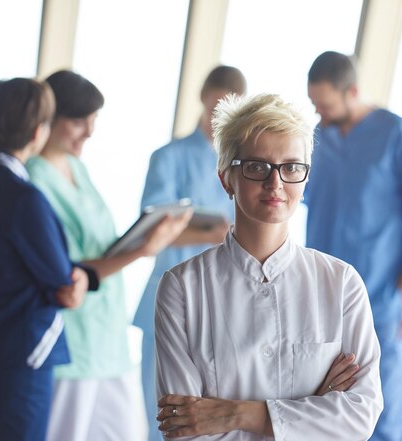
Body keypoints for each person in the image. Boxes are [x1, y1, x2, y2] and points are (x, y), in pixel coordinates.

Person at [155, 93, 383, 440]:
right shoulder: (182, 288)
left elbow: (359, 415)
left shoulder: (342, 284)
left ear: (305, 180)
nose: (275, 183)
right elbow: (188, 431)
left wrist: (235, 413)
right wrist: (313, 408)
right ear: (225, 178)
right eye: (256, 166)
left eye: (291, 167)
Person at [25, 70, 190, 441]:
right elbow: (65, 270)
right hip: (74, 343)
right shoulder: (35, 182)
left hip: (107, 341)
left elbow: (98, 247)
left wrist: (145, 237)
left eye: (93, 120)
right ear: (50, 119)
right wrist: (144, 250)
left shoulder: (76, 168)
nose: (90, 131)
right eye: (80, 120)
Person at [305, 51, 402, 441]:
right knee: (322, 404)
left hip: (379, 298)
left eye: (327, 105)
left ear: (352, 92)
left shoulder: (398, 135)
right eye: (315, 106)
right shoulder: (319, 139)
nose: (321, 115)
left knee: (386, 414)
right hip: (322, 297)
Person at [0, 78, 95, 441]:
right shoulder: (24, 199)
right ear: (38, 130)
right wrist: (84, 277)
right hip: (23, 355)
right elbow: (63, 283)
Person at [135, 65, 245, 440]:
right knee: (162, 412)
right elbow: (153, 232)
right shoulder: (168, 157)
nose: (219, 116)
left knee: (211, 414)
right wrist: (212, 233)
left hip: (221, 302)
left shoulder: (239, 165)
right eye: (216, 103)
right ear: (203, 97)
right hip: (170, 295)